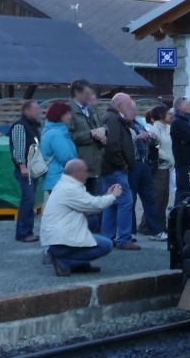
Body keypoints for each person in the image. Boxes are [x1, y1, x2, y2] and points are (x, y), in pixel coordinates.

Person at [40, 159, 123, 277]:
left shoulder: (65, 185)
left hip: (57, 238)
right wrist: (114, 196)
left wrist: (107, 196)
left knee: (92, 220)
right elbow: (95, 205)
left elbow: (88, 205)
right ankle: (64, 261)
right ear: (78, 173)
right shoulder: (70, 189)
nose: (87, 175)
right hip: (58, 241)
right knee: (106, 245)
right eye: (86, 172)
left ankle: (78, 263)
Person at [100, 93, 140, 250]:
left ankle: (108, 238)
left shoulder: (113, 118)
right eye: (128, 105)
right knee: (125, 201)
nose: (131, 108)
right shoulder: (113, 119)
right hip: (115, 169)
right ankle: (124, 238)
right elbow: (112, 145)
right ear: (119, 105)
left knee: (111, 202)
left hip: (112, 168)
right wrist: (122, 164)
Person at [69, 80, 107, 233]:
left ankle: (97, 234)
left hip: (97, 164)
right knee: (83, 205)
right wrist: (91, 134)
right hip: (81, 165)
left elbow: (102, 125)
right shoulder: (69, 111)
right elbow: (70, 137)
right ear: (77, 93)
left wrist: (103, 130)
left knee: (97, 202)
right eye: (87, 93)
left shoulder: (91, 109)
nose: (90, 96)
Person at [8, 100, 41, 243]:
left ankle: (26, 231)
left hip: (32, 169)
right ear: (27, 110)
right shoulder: (20, 126)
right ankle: (24, 233)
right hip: (26, 170)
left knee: (29, 200)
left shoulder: (32, 125)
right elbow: (19, 148)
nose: (38, 112)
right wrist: (23, 167)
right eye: (36, 109)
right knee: (28, 199)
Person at [130, 113, 167, 240]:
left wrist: (152, 137)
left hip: (145, 163)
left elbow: (150, 142)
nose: (134, 112)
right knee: (131, 200)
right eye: (131, 109)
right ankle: (130, 232)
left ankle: (156, 231)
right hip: (132, 164)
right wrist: (136, 138)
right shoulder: (122, 125)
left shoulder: (138, 124)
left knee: (150, 198)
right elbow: (120, 142)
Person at [40, 101, 78, 203]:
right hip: (59, 178)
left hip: (53, 178)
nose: (70, 116)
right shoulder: (56, 134)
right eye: (67, 114)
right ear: (59, 115)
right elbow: (66, 157)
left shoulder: (49, 131)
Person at [146, 106, 174, 233]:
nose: (170, 115)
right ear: (161, 115)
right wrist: (167, 158)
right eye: (167, 113)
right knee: (157, 197)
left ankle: (161, 225)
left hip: (166, 167)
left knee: (164, 198)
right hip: (160, 167)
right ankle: (147, 225)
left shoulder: (163, 128)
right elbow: (154, 148)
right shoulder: (156, 129)